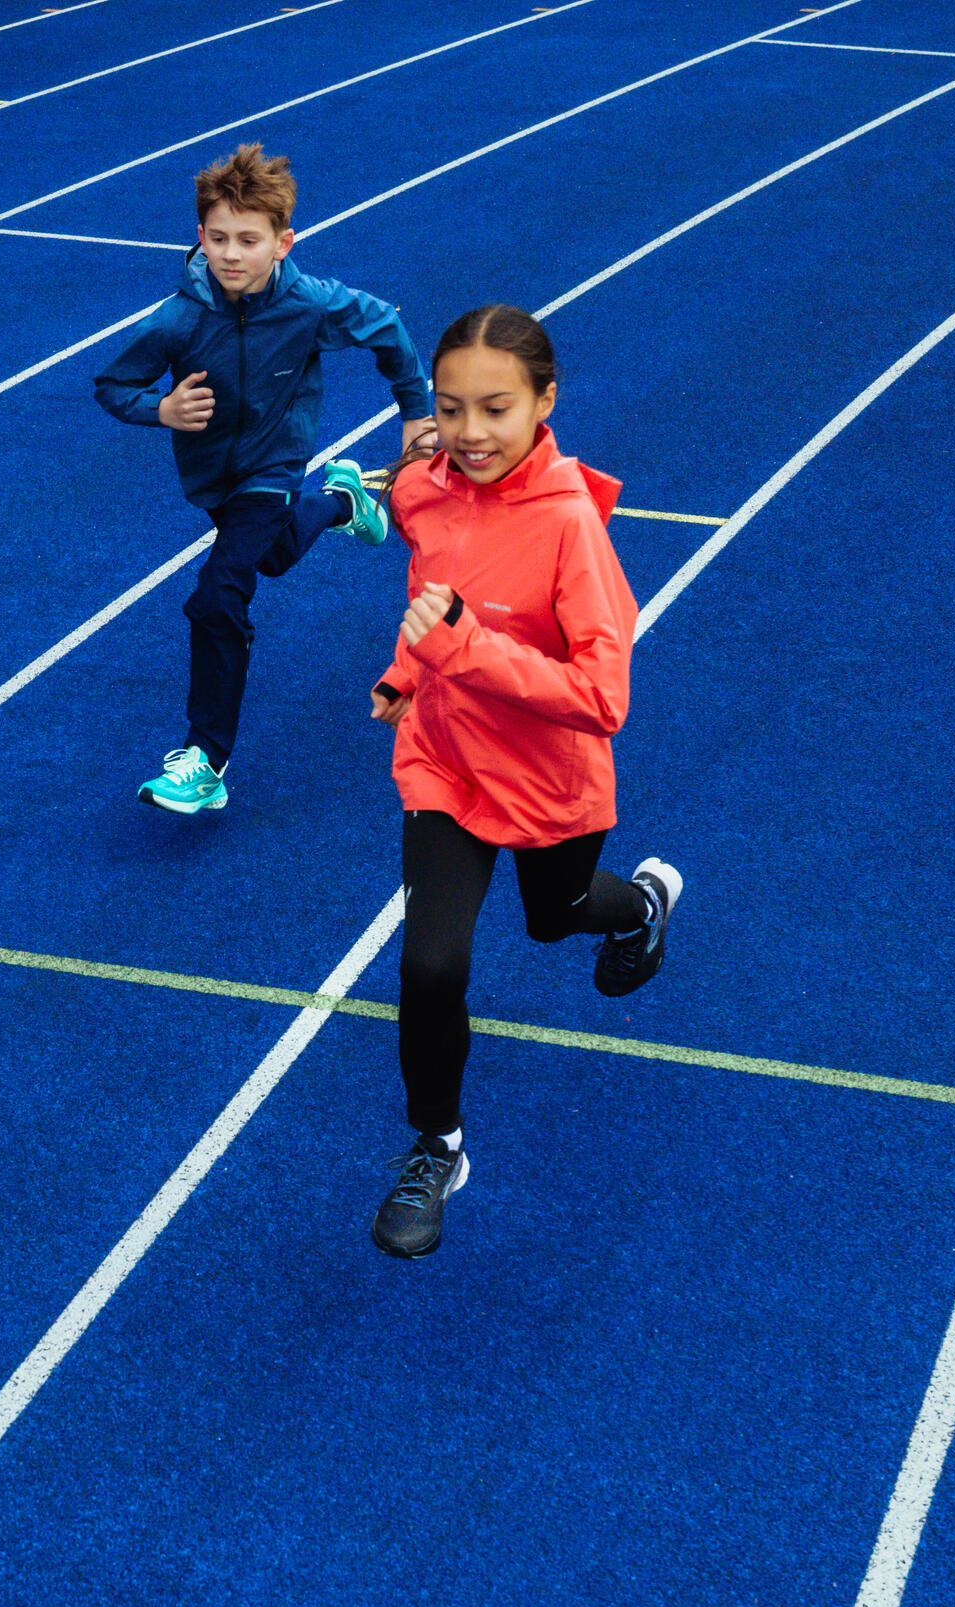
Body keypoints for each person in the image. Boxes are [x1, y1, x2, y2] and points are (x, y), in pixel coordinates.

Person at [364, 303, 679, 1258]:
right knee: (431, 964)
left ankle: (639, 907)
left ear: (546, 401)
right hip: (447, 763)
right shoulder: (425, 488)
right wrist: (406, 675)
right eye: (451, 409)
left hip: (549, 783)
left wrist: (461, 649)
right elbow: (432, 596)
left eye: (495, 409)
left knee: (555, 915)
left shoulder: (571, 529)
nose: (470, 434)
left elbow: (600, 696)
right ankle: (438, 1144)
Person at [93, 142, 438, 813]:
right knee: (275, 551)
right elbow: (111, 384)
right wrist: (160, 409)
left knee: (218, 595)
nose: (231, 254)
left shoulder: (308, 304)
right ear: (198, 237)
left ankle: (206, 760)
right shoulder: (179, 318)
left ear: (283, 242)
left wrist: (416, 414)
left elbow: (387, 327)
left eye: (248, 240)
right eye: (218, 238)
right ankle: (343, 501)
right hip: (213, 479)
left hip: (274, 464)